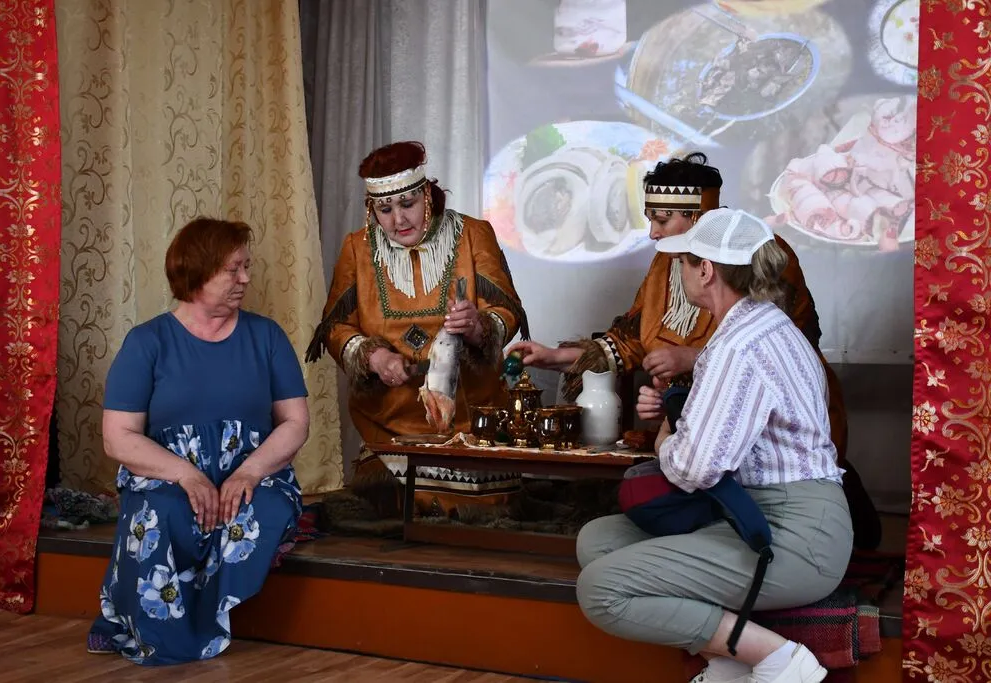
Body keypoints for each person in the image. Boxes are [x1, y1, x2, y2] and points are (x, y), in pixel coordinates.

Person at [509, 152, 881, 550]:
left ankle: (815, 550)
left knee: (776, 513)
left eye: (662, 219)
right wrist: (556, 357)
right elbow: (631, 337)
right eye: (650, 219)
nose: (652, 233)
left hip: (769, 438)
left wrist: (692, 361)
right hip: (698, 423)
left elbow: (777, 345)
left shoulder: (757, 254)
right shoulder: (664, 267)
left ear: (698, 219)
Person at [576, 208, 851, 683]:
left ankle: (779, 659)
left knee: (601, 589)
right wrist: (679, 416)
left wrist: (666, 437)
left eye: (681, 262)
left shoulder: (738, 345)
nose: (677, 272)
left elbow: (694, 468)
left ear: (705, 270)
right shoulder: (767, 325)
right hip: (754, 514)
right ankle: (727, 663)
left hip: (795, 535)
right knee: (598, 541)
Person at [87, 218, 310, 665]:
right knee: (162, 516)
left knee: (261, 512)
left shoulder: (266, 336)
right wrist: (186, 475)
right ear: (197, 271)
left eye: (246, 267)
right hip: (167, 476)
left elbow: (295, 422)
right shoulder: (147, 342)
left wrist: (249, 472)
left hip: (254, 474)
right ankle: (158, 633)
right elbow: (118, 437)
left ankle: (209, 621)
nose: (245, 279)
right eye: (233, 269)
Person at [307, 141, 529, 515]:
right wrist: (373, 357)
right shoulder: (358, 248)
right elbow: (335, 327)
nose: (398, 220)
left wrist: (477, 327)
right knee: (393, 503)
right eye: (385, 209)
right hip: (389, 422)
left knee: (472, 509)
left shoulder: (472, 234)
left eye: (407, 204)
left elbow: (507, 311)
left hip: (471, 419)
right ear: (371, 209)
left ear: (427, 194)